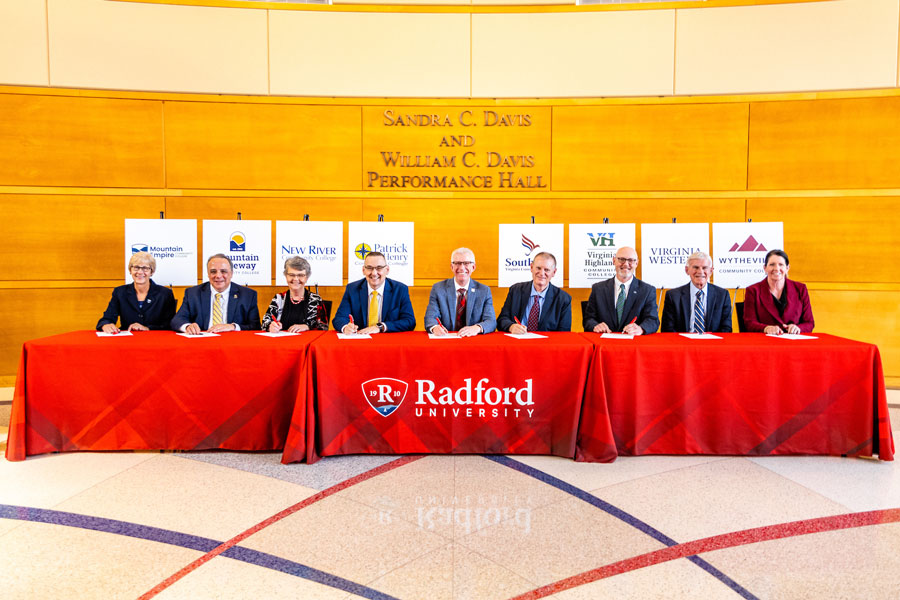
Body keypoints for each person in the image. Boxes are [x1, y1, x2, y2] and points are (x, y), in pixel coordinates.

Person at [171, 253, 260, 333]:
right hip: (201, 343)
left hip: (233, 343)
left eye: (223, 271)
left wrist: (233, 327)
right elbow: (177, 320)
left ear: (231, 274)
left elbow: (255, 326)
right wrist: (187, 326)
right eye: (213, 272)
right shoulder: (193, 294)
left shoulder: (248, 295)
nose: (218, 276)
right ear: (208, 274)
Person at [332, 251, 416, 334]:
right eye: (369, 268)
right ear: (363, 270)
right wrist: (346, 327)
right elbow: (339, 318)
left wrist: (381, 327)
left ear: (387, 270)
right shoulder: (352, 289)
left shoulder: (400, 290)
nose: (374, 273)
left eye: (379, 268)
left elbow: (409, 321)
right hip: (361, 341)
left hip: (389, 342)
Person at [583, 246, 658, 335]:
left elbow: (653, 320)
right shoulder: (598, 289)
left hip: (633, 345)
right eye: (622, 259)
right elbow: (588, 319)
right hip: (604, 345)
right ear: (614, 261)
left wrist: (641, 329)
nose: (626, 264)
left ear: (636, 263)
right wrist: (595, 326)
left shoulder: (647, 291)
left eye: (631, 260)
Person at [424, 247, 496, 337]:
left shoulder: (484, 291)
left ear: (473, 267)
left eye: (466, 263)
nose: (462, 268)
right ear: (451, 267)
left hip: (473, 342)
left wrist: (476, 328)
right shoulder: (438, 289)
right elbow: (430, 317)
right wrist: (435, 327)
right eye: (457, 263)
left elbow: (491, 321)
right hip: (447, 342)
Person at [97, 251, 176, 333]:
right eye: (136, 267)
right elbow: (107, 318)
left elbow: (170, 324)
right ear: (130, 270)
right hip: (128, 340)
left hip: (155, 340)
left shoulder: (165, 294)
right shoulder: (120, 292)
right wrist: (106, 324)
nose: (140, 272)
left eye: (145, 268)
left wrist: (147, 328)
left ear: (151, 272)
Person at [743, 249, 814, 335]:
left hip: (794, 342)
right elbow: (749, 323)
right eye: (772, 264)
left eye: (781, 265)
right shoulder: (753, 290)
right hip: (765, 343)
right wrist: (766, 328)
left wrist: (798, 328)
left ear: (787, 268)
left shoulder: (800, 289)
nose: (776, 268)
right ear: (765, 268)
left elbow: (809, 323)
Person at [497, 252, 571, 332]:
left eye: (546, 270)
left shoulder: (563, 299)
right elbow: (502, 319)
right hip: (518, 342)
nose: (542, 273)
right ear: (531, 267)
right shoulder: (515, 290)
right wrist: (511, 327)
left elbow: (564, 333)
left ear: (554, 272)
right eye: (538, 268)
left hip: (547, 343)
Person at [661, 251, 732, 333]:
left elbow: (726, 329)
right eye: (696, 267)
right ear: (687, 270)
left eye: (704, 268)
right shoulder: (673, 296)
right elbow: (668, 330)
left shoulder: (722, 295)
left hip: (713, 343)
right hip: (683, 343)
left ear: (711, 271)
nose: (700, 271)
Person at [261, 256, 328, 333]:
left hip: (306, 343)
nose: (296, 279)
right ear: (286, 276)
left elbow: (323, 327)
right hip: (281, 342)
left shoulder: (315, 300)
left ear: (306, 278)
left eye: (300, 275)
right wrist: (270, 326)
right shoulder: (279, 298)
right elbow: (264, 324)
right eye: (291, 275)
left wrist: (307, 327)